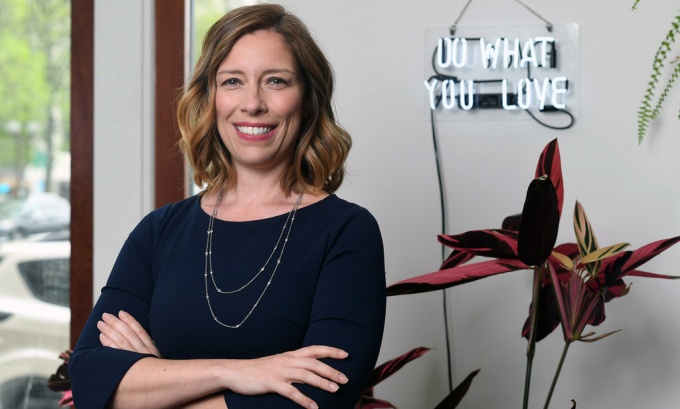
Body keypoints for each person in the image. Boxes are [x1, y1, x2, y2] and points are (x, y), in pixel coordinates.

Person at [68, 4, 386, 409]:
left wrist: (156, 382)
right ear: (210, 97)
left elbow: (318, 397)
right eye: (233, 81)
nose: (252, 103)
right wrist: (236, 372)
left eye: (276, 81)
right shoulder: (160, 230)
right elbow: (90, 377)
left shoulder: (347, 232)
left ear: (307, 98)